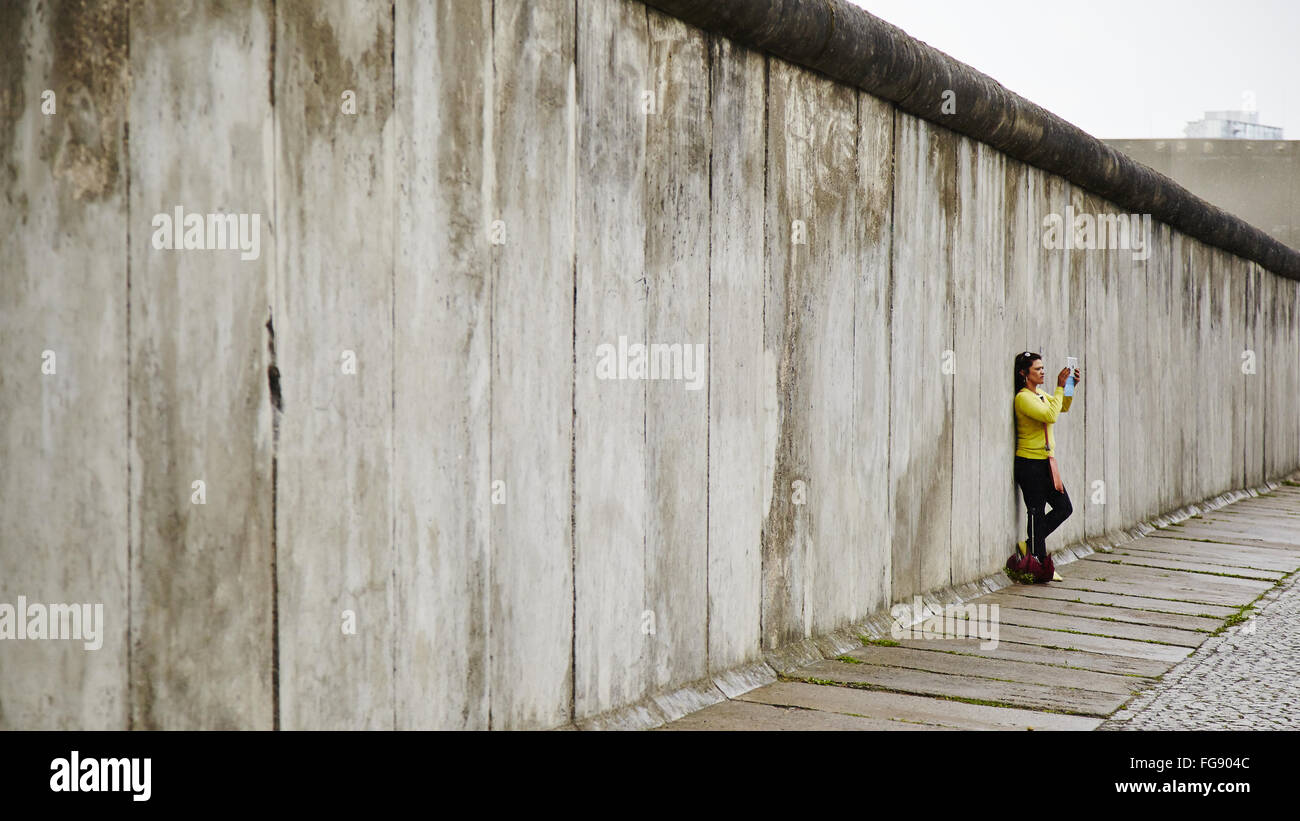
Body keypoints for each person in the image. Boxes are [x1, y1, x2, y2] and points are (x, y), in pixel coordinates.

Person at [1012, 351, 1082, 582]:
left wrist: (1069, 386)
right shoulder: (1023, 398)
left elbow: (1062, 407)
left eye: (1043, 368)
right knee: (1036, 512)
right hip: (1029, 463)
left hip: (1046, 463)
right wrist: (1060, 387)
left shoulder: (1040, 394)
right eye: (1037, 369)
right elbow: (1051, 416)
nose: (1043, 372)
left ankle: (1030, 545)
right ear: (1024, 374)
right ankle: (1039, 565)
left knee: (1064, 507)